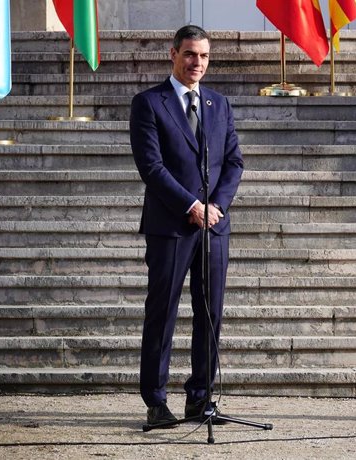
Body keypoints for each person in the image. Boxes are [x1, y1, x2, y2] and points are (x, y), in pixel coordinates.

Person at [130, 25, 244, 427]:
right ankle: (156, 400)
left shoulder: (219, 104)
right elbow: (152, 167)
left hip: (213, 227)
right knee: (162, 312)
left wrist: (217, 207)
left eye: (205, 56)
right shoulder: (149, 103)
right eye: (191, 54)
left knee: (210, 312)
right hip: (171, 227)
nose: (198, 63)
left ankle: (201, 397)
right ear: (173, 54)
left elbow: (234, 162)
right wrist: (191, 205)